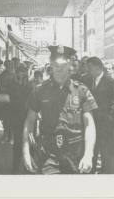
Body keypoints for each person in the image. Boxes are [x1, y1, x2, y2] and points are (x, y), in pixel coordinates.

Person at [22, 45, 97, 174]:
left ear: (70, 66)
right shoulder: (40, 90)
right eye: (56, 65)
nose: (59, 69)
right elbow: (29, 123)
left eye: (63, 66)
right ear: (51, 65)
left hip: (76, 155)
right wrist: (26, 152)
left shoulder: (81, 90)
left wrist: (88, 154)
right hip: (49, 154)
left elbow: (90, 124)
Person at [86, 56, 114, 173]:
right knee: (91, 151)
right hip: (91, 123)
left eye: (90, 68)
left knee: (106, 154)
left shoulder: (110, 82)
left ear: (98, 68)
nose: (89, 71)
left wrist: (107, 118)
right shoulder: (88, 81)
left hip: (105, 125)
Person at [10, 63, 33, 173]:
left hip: (27, 117)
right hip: (16, 117)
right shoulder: (12, 85)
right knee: (17, 144)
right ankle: (15, 168)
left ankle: (27, 168)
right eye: (19, 71)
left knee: (28, 142)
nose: (21, 73)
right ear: (16, 72)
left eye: (23, 71)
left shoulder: (29, 86)